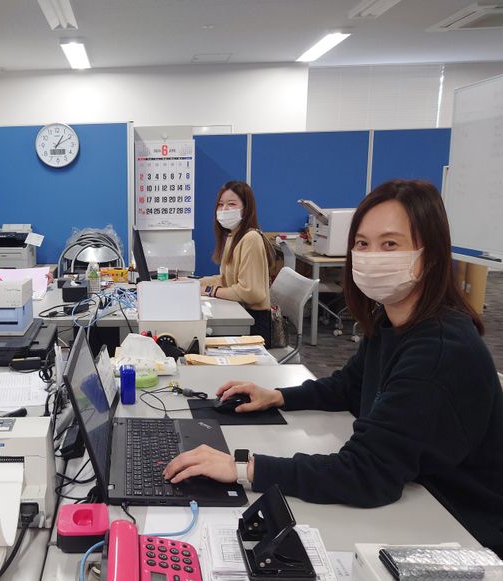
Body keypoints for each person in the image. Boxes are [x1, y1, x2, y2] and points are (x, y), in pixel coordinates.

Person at [165, 179, 503, 556]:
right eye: (362, 243)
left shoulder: (440, 351)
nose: (372, 256)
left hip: (460, 533)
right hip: (417, 501)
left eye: (390, 244)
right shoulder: (392, 321)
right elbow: (347, 387)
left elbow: (365, 473)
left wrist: (243, 468)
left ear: (432, 256)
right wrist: (276, 396)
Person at [198, 181, 275, 342]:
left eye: (231, 204)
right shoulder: (233, 236)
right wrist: (195, 283)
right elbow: (226, 280)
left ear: (246, 209)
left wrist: (209, 290)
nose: (224, 209)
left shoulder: (251, 239)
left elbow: (251, 293)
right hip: (242, 314)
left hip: (254, 324)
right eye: (220, 204)